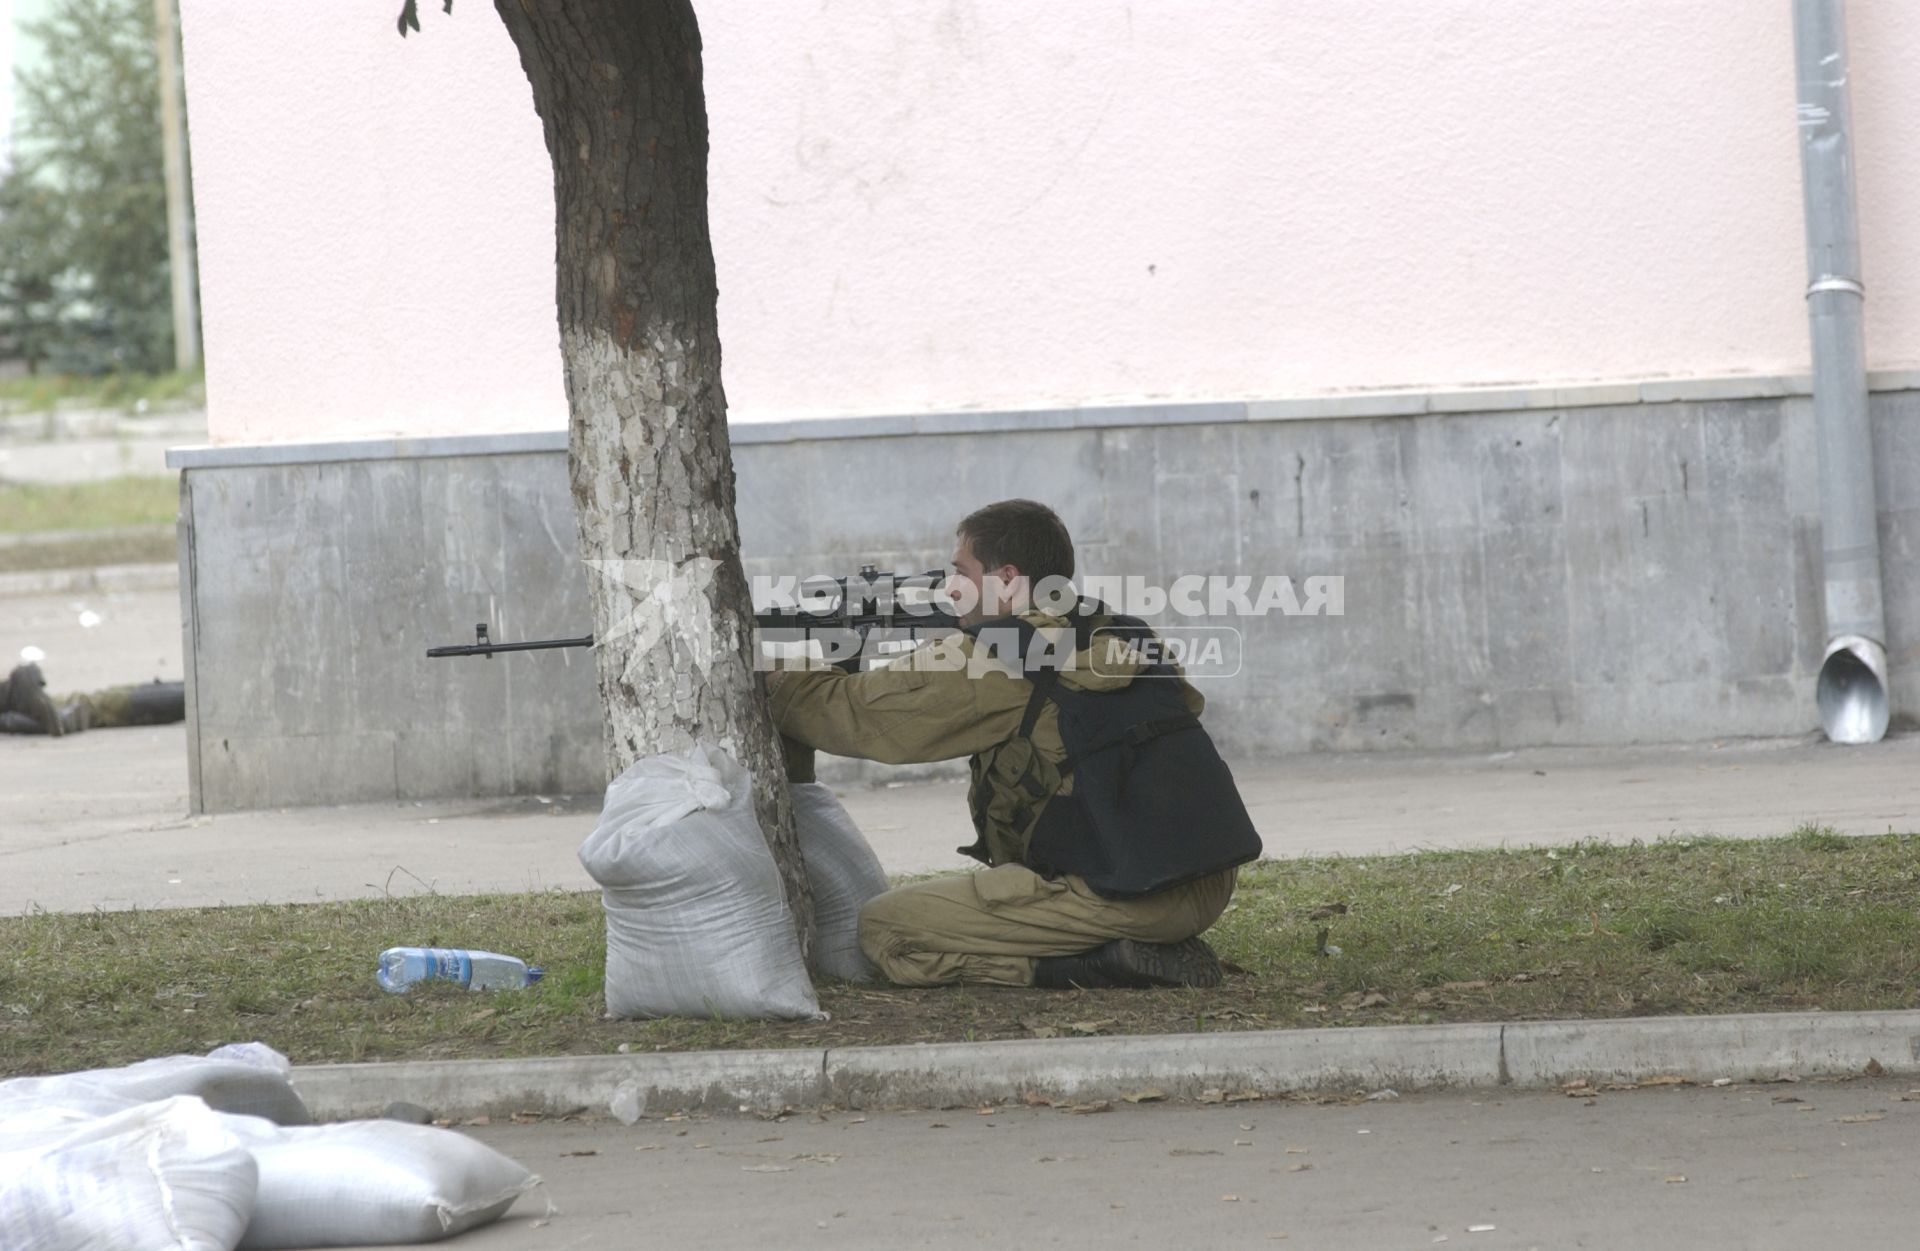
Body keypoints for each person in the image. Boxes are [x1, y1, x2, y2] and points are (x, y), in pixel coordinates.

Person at [766, 499, 1256, 990]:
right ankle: (1128, 940)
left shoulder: (1000, 655)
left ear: (1007, 579)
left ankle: (1098, 964)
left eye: (961, 573)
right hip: (1202, 880)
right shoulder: (1116, 630)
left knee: (886, 929)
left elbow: (855, 717)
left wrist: (771, 679)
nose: (950, 589)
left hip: (1130, 893)